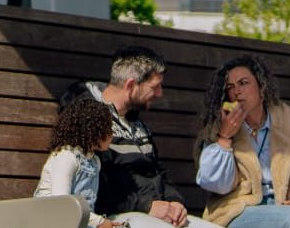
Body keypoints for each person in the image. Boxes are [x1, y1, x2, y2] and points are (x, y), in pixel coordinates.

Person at [59, 47, 218, 228]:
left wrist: (174, 201)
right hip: (114, 217)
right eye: (154, 87)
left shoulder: (137, 124)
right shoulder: (90, 121)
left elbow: (158, 171)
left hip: (152, 214)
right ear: (130, 85)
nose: (160, 93)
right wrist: (146, 206)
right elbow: (92, 184)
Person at [194, 55, 290, 228]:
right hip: (238, 212)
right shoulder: (218, 128)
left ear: (262, 87)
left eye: (243, 83)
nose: (237, 91)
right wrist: (225, 138)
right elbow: (216, 184)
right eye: (230, 87)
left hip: (283, 208)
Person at [34, 97, 127, 228]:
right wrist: (99, 222)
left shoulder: (94, 162)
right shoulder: (66, 157)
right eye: (109, 128)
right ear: (94, 130)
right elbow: (62, 204)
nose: (112, 134)